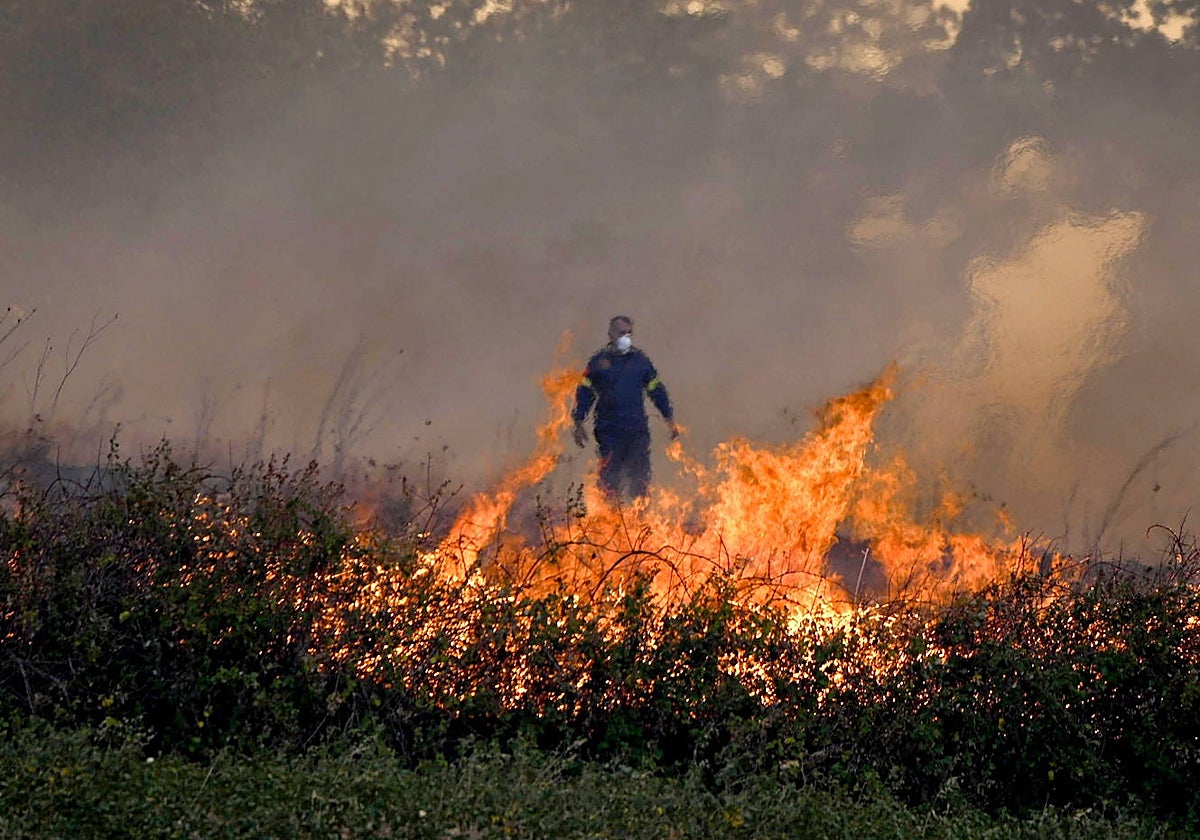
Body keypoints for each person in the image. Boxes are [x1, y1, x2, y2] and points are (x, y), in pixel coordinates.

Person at [572, 315, 679, 502]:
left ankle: (639, 524)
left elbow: (657, 390)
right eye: (622, 333)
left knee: (640, 481)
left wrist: (669, 418)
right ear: (611, 334)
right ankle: (611, 523)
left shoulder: (640, 361)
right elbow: (585, 393)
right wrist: (579, 421)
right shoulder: (598, 362)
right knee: (610, 484)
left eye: (629, 333)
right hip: (609, 432)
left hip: (636, 431)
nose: (626, 338)